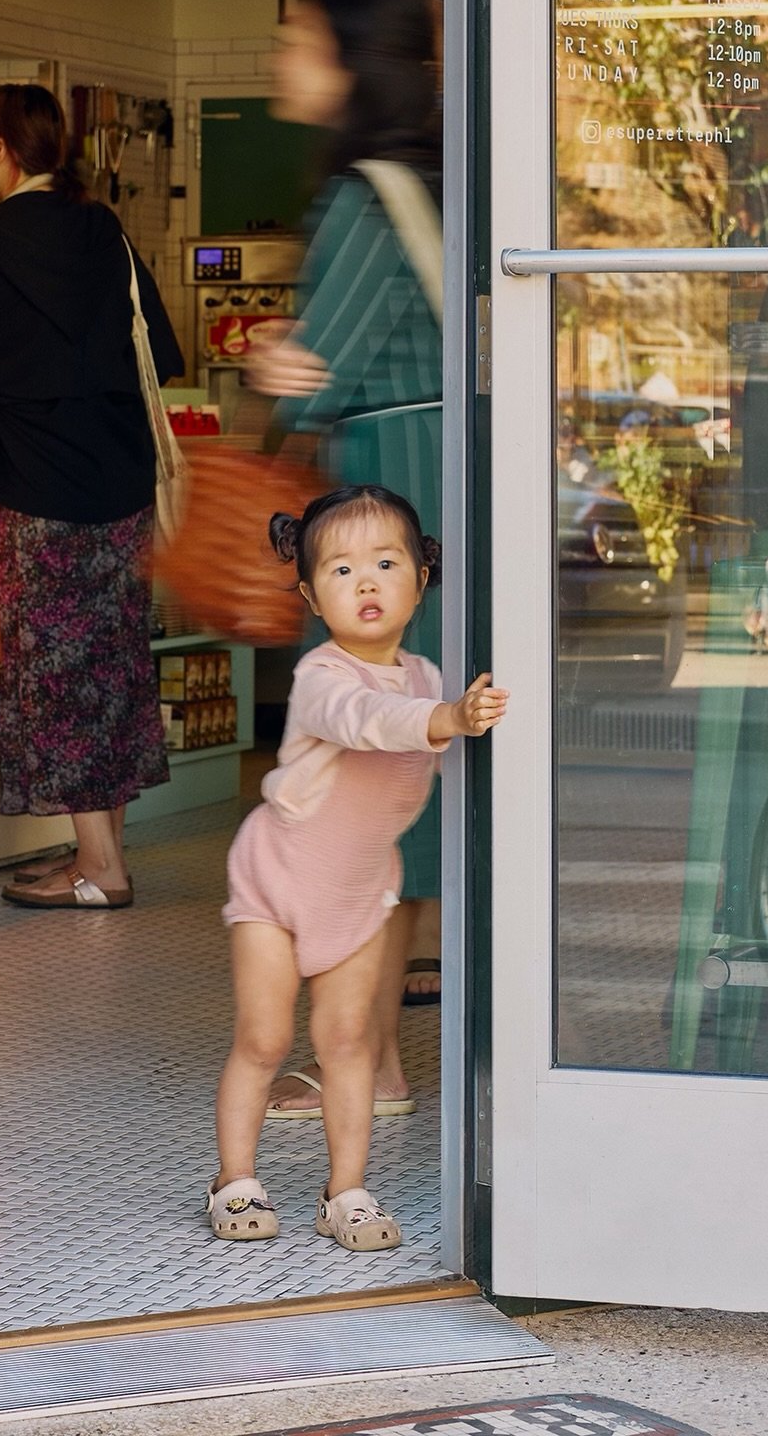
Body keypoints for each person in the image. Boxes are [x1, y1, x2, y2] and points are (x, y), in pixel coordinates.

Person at [248, 0, 446, 1119]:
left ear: (345, 57)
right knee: (394, 788)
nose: (280, 57)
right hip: (425, 516)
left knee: (360, 795)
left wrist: (278, 361)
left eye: (296, 37)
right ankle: (375, 1059)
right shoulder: (422, 181)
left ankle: (365, 1067)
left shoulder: (364, 197)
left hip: (382, 518)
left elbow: (324, 375)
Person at [207, 485, 506, 1249]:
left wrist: (462, 712)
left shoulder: (430, 677)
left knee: (350, 1045)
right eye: (341, 571)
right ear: (310, 594)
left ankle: (346, 1191)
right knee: (265, 1039)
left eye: (384, 562)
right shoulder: (322, 677)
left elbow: (443, 738)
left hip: (359, 891)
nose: (366, 582)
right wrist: (445, 719)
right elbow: (369, 724)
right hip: (275, 879)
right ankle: (235, 1180)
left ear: (421, 578)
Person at [0, 84, 183, 908]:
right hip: (120, 483)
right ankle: (95, 853)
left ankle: (100, 870)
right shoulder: (102, 227)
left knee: (55, 674)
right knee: (110, 666)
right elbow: (162, 346)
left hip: (41, 491)